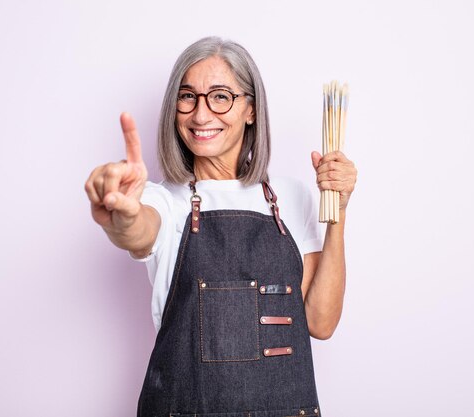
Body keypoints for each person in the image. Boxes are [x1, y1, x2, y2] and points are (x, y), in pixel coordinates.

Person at [84, 36, 357, 417]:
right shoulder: (165, 199)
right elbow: (139, 230)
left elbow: (321, 322)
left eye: (220, 96)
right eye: (187, 97)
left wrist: (338, 210)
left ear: (251, 110)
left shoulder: (291, 197)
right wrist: (123, 216)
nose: (200, 114)